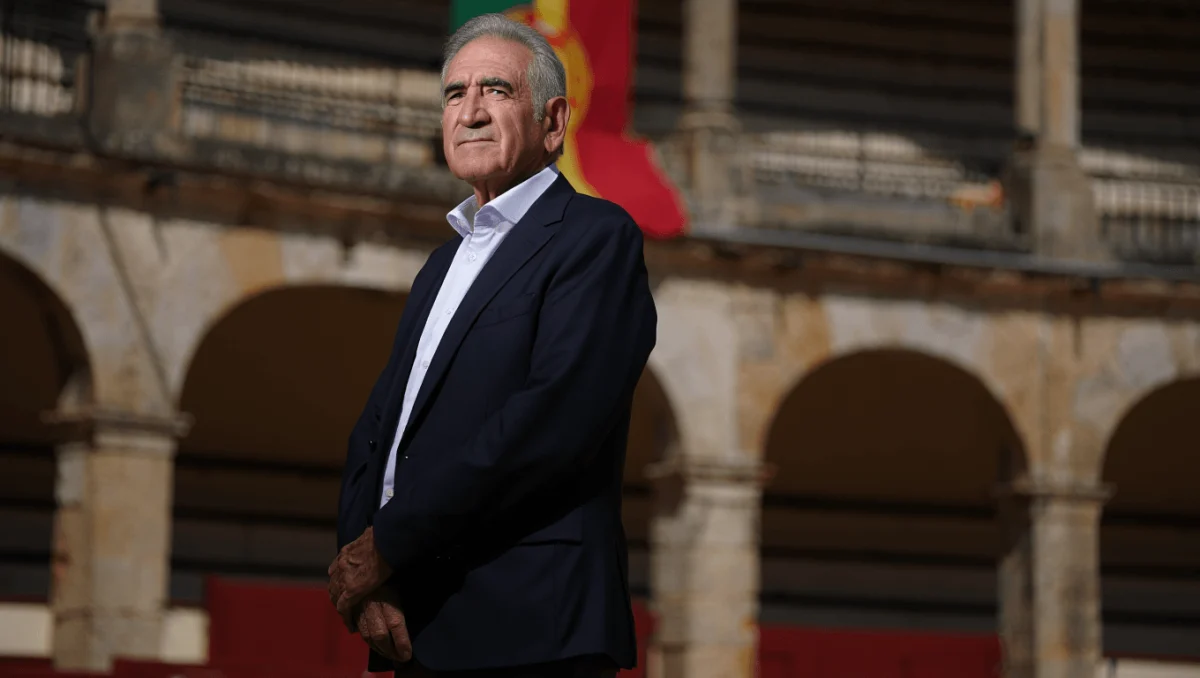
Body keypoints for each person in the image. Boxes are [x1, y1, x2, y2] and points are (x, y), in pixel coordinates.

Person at [327, 13, 657, 678]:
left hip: (531, 626)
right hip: (418, 621)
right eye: (455, 94)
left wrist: (386, 544)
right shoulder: (440, 266)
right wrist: (364, 573)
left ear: (553, 122)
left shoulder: (595, 238)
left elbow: (550, 423)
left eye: (496, 91)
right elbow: (380, 429)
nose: (470, 112)